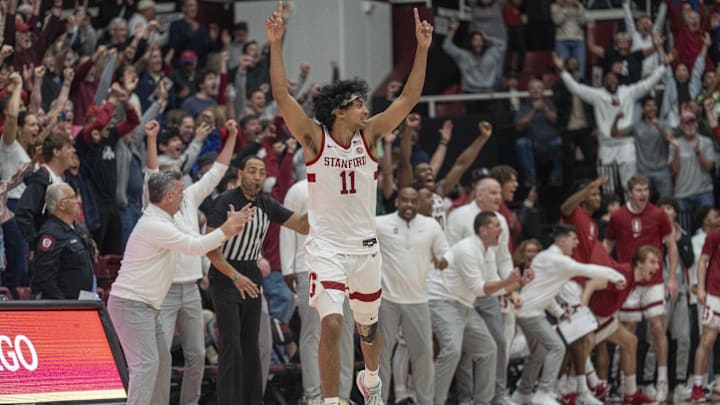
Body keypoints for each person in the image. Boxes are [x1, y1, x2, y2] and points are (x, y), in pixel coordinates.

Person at [266, 1, 434, 403]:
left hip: (365, 248)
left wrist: (422, 49)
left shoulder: (370, 135)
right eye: (359, 103)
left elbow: (409, 99)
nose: (366, 108)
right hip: (326, 248)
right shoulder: (313, 138)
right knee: (332, 325)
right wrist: (276, 44)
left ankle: (370, 381)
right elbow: (280, 95)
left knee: (369, 330)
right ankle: (330, 399)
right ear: (340, 110)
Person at [108, 169, 254, 405]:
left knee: (158, 362)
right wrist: (227, 228)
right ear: (168, 198)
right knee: (146, 365)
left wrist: (228, 230)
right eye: (179, 191)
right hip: (131, 304)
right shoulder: (156, 225)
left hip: (144, 306)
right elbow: (195, 246)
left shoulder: (166, 220)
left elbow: (199, 242)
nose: (184, 195)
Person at [143, 119, 236, 404]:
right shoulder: (155, 204)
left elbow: (218, 172)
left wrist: (231, 136)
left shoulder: (191, 198)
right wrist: (151, 139)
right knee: (161, 357)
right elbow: (151, 172)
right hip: (165, 289)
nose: (180, 181)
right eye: (172, 176)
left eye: (179, 176)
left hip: (191, 289)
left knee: (197, 354)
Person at [205, 155, 309, 405]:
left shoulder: (267, 204)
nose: (257, 176)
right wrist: (235, 276)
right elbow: (210, 247)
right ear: (240, 174)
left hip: (250, 274)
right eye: (252, 171)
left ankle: (253, 401)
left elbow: (303, 226)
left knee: (251, 346)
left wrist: (325, 203)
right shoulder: (224, 202)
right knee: (232, 346)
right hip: (224, 274)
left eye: (262, 172)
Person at [512, 224, 625, 405]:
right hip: (529, 313)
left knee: (538, 353)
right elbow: (588, 270)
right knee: (557, 347)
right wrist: (616, 276)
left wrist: (559, 313)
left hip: (529, 311)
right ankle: (544, 392)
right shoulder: (558, 260)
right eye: (574, 239)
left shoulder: (545, 257)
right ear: (562, 241)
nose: (577, 243)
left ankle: (523, 392)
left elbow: (543, 290)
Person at [428, 211, 529, 404]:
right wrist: (507, 282)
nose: (502, 229)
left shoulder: (488, 251)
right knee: (452, 350)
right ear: (483, 230)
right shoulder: (468, 250)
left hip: (464, 304)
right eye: (497, 226)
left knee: (488, 349)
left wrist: (518, 284)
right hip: (442, 300)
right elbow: (479, 288)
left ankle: (482, 402)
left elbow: (494, 286)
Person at [280, 180, 356, 404]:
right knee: (313, 334)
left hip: (345, 267)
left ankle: (342, 396)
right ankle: (313, 395)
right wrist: (287, 267)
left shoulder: (346, 185)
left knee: (345, 334)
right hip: (309, 266)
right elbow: (287, 226)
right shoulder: (298, 189)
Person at [604, 176, 679, 402]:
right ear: (630, 193)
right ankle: (628, 386)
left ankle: (662, 380)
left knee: (657, 326)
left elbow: (671, 245)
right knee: (628, 330)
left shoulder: (658, 214)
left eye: (646, 189)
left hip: (654, 280)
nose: (643, 193)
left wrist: (672, 276)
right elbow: (607, 246)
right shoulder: (617, 216)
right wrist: (605, 274)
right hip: (628, 281)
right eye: (639, 190)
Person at [375, 187, 452, 405]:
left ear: (418, 204)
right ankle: (377, 400)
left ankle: (425, 401)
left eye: (413, 201)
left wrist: (444, 259)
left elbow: (446, 250)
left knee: (423, 356)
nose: (409, 205)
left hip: (418, 300)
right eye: (404, 201)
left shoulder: (431, 226)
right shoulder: (380, 223)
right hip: (386, 300)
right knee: (380, 356)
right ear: (397, 202)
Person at [582, 246, 662, 405]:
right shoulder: (623, 275)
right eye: (652, 262)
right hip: (591, 317)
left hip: (604, 318)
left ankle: (630, 395)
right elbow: (591, 284)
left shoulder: (632, 279)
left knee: (630, 341)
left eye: (658, 263)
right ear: (639, 263)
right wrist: (582, 311)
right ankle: (576, 390)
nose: (657, 267)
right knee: (580, 350)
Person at [30, 183, 95, 299]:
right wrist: (62, 303)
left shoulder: (79, 228)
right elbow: (45, 277)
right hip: (63, 305)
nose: (78, 201)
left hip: (83, 300)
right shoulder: (50, 234)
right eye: (73, 197)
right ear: (61, 205)